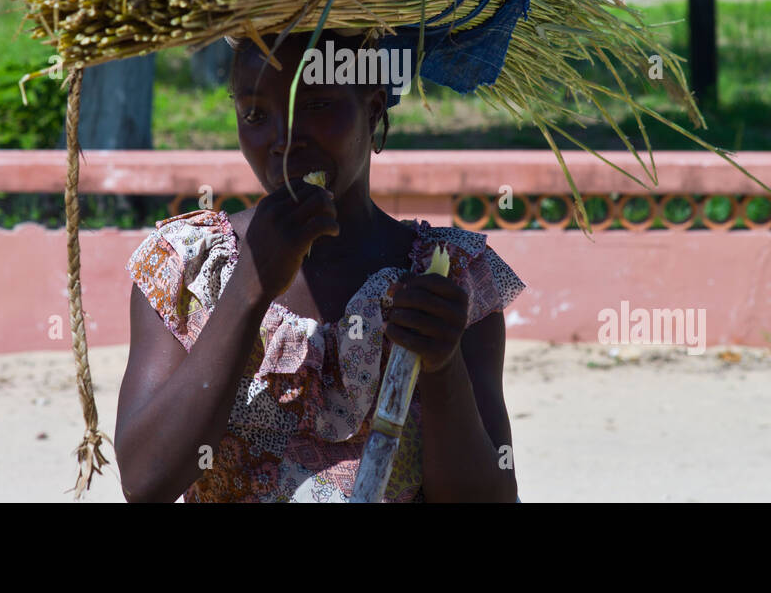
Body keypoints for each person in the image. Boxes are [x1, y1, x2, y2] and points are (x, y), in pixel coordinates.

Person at [114, 29, 526, 502]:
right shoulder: (187, 266)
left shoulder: (448, 277)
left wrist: (442, 365)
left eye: (314, 106)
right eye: (255, 113)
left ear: (373, 110)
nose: (283, 141)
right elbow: (146, 482)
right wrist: (249, 287)